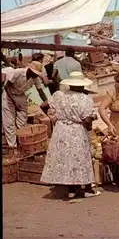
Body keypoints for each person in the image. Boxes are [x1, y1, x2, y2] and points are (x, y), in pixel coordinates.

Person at [40, 71, 100, 199]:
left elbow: (43, 105)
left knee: (67, 159)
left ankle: (71, 190)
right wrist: (89, 125)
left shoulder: (58, 95)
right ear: (82, 85)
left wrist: (53, 117)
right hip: (77, 130)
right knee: (81, 158)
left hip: (61, 130)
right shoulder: (85, 99)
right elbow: (87, 120)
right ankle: (87, 189)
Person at [2, 61, 47, 148]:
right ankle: (13, 147)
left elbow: (40, 91)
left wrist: (47, 102)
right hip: (9, 94)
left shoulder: (35, 79)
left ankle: (22, 144)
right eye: (35, 73)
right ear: (30, 70)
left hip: (21, 95)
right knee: (9, 122)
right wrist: (14, 101)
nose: (36, 75)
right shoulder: (17, 72)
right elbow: (7, 86)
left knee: (22, 121)